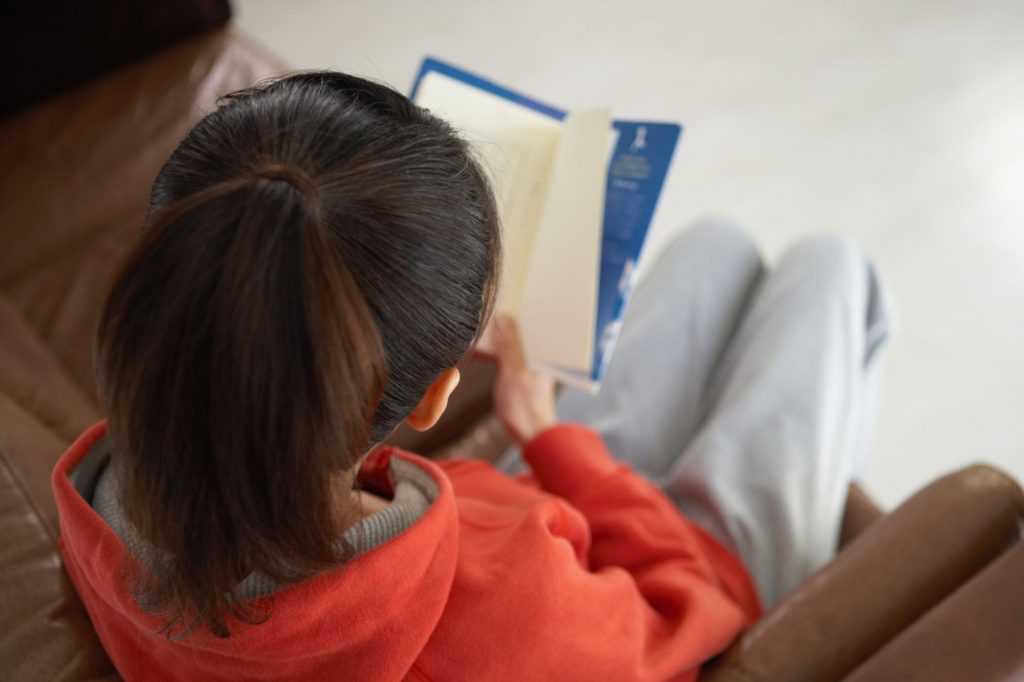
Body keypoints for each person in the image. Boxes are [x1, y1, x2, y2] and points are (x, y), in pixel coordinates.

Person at [51, 70, 890, 682]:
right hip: (679, 569)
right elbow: (696, 612)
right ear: (433, 396)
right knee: (834, 270)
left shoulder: (99, 504)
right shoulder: (502, 613)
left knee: (718, 248)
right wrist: (553, 438)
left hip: (530, 528)